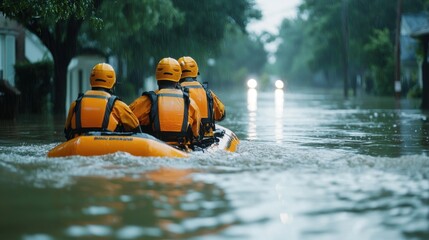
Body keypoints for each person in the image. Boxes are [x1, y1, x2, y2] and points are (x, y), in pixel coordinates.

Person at [129, 57, 201, 149]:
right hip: (181, 150)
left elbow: (128, 120)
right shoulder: (189, 102)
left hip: (155, 148)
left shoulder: (146, 101)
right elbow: (196, 134)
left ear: (157, 78)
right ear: (178, 79)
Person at [64, 63, 140, 140]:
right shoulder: (118, 105)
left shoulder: (75, 104)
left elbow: (67, 132)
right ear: (113, 84)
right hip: (107, 146)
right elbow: (137, 131)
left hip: (79, 145)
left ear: (91, 80)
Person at [178, 56, 225, 139]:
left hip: (185, 139)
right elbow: (221, 115)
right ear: (196, 72)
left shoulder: (175, 93)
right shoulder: (207, 92)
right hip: (206, 137)